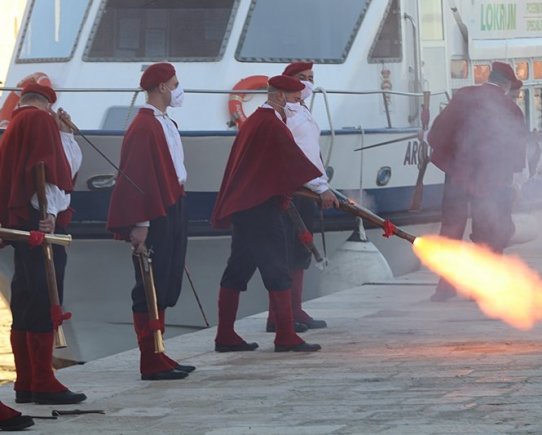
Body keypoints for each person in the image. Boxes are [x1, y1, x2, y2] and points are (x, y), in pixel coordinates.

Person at [211, 75, 326, 353]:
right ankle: (285, 335)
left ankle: (225, 335)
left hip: (246, 207)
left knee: (238, 269)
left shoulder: (256, 121)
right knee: (277, 267)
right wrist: (323, 189)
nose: (297, 105)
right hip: (261, 208)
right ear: (279, 96)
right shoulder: (271, 124)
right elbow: (294, 161)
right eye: (295, 100)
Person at [107, 62, 195, 381]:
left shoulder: (164, 122)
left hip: (172, 203)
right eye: (175, 84)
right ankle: (149, 357)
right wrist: (141, 221)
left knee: (165, 281)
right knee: (149, 284)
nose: (178, 89)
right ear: (162, 87)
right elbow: (138, 175)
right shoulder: (145, 126)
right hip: (156, 211)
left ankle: (158, 349)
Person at [0, 83, 86, 404]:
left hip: (21, 222)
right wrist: (47, 212)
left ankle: (25, 382)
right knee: (43, 298)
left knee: (24, 298)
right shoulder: (39, 120)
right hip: (39, 223)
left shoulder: (15, 122)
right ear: (47, 104)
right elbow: (52, 171)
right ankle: (43, 382)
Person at [427, 62, 527, 301]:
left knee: (451, 230)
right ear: (506, 85)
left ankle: (445, 288)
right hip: (491, 179)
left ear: (489, 77)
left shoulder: (463, 96)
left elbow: (436, 135)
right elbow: (516, 151)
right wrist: (513, 179)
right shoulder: (511, 109)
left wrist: (452, 157)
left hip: (458, 175)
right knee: (488, 231)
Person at [264, 61, 338, 333]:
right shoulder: (288, 115)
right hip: (294, 191)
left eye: (310, 77)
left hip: (306, 190)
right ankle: (279, 315)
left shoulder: (301, 110)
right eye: (301, 78)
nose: (307, 83)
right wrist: (321, 187)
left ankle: (293, 309)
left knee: (300, 252)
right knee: (285, 254)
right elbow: (298, 156)